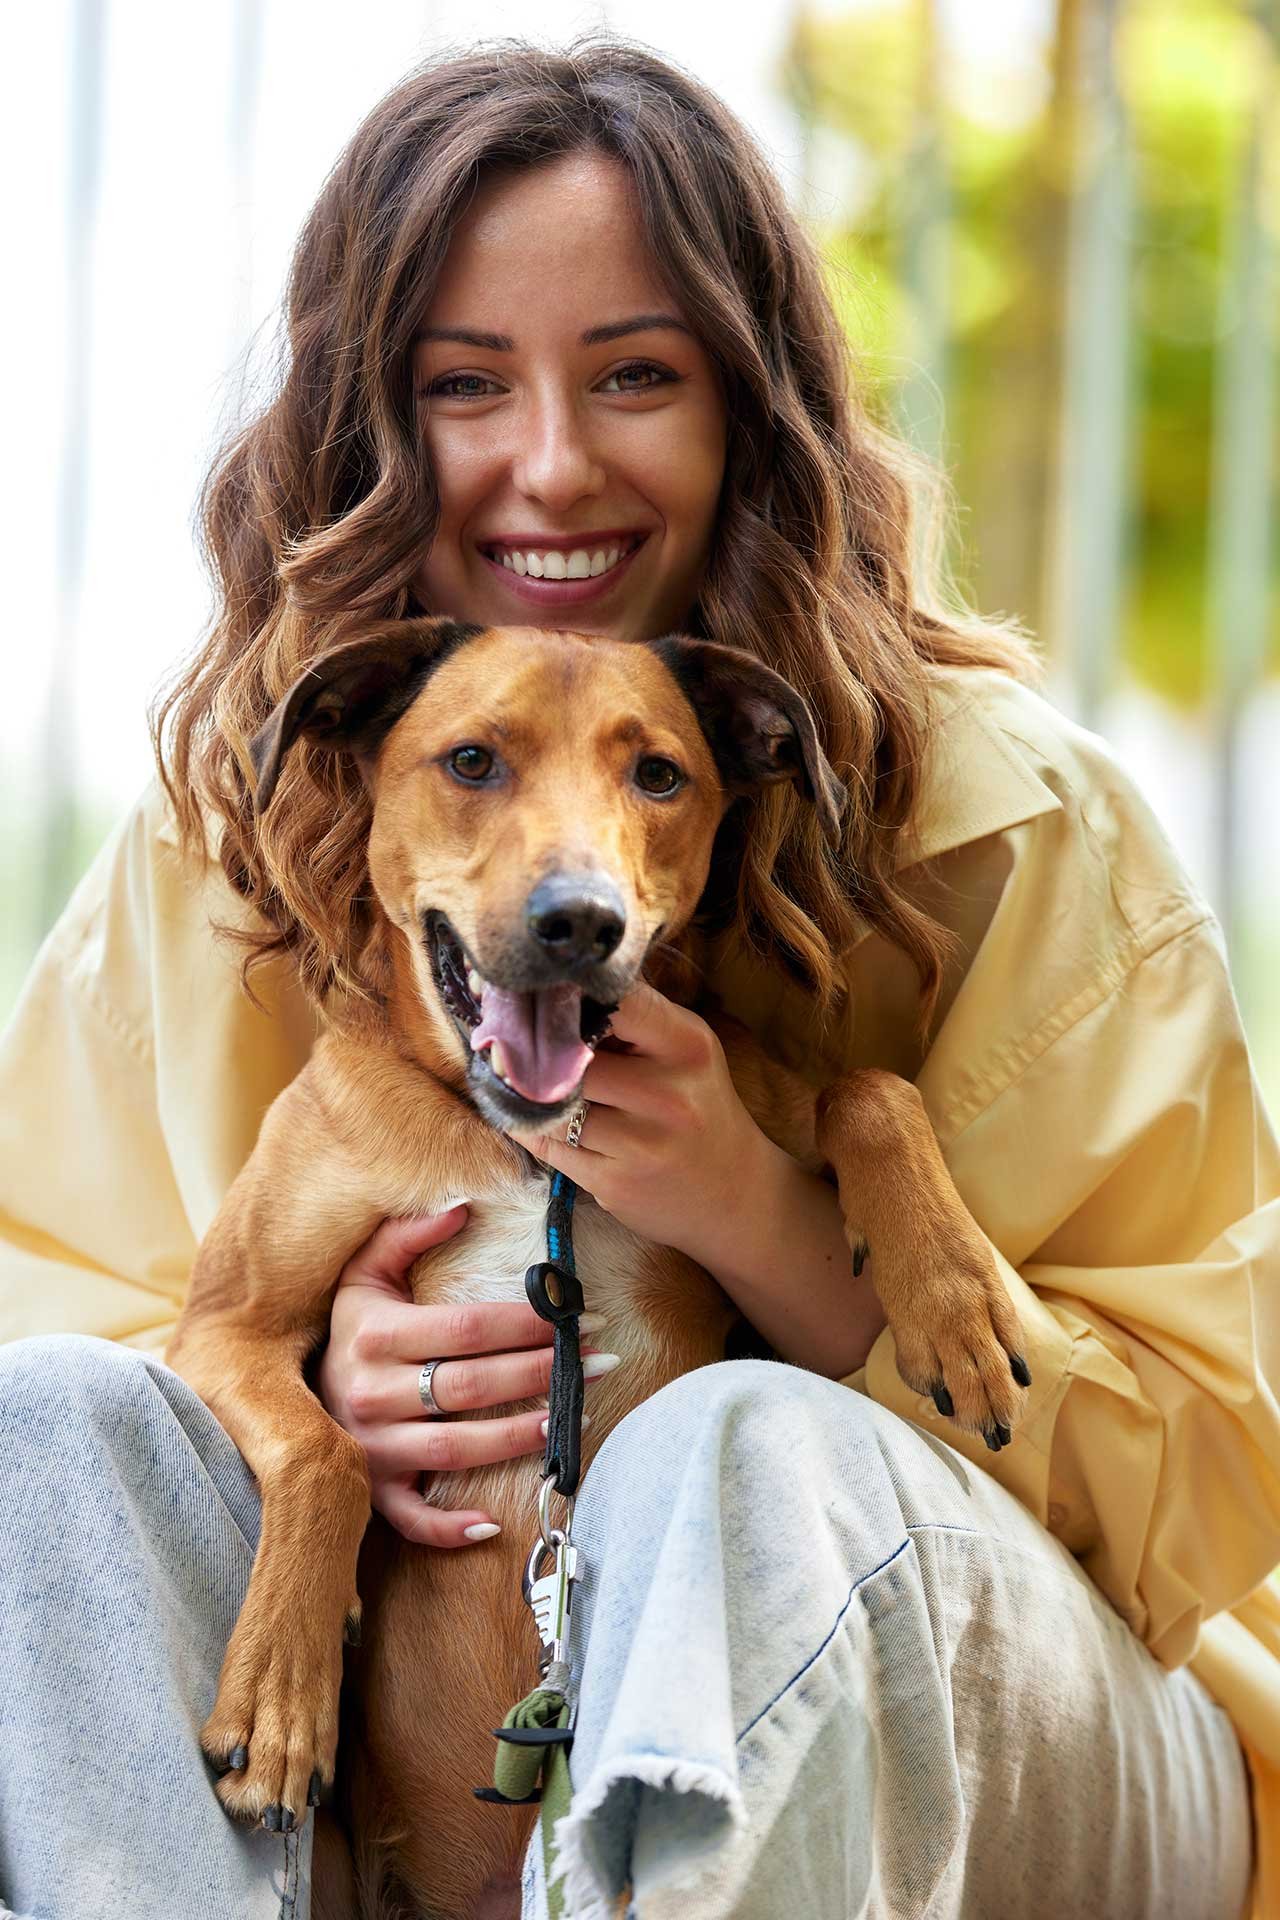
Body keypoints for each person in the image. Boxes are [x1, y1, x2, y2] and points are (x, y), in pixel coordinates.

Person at [0, 38, 1275, 1920]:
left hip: (1046, 1739)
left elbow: (1218, 1503)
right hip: (400, 1762)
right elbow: (65, 1336)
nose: (551, 465)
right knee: (48, 1424)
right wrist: (311, 1401)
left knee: (737, 1452)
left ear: (753, 413)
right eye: (463, 384)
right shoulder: (235, 818)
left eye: (635, 377)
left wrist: (774, 1226)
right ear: (368, 427)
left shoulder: (1024, 818)